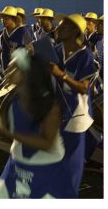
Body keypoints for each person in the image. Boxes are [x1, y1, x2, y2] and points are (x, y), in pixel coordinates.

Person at [0, 50, 68, 198]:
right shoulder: (13, 99)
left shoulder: (49, 105)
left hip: (46, 172)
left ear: (26, 73)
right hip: (17, 166)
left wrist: (10, 134)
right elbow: (0, 127)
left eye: (13, 68)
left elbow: (47, 143)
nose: (7, 70)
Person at [49, 14, 97, 198]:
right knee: (55, 156)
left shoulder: (85, 55)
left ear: (75, 32)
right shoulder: (58, 48)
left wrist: (61, 75)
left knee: (70, 162)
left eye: (62, 27)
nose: (57, 29)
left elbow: (84, 88)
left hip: (76, 117)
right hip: (59, 111)